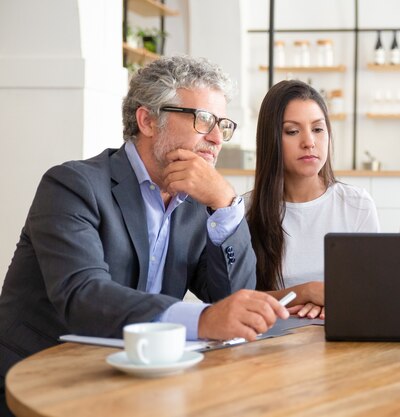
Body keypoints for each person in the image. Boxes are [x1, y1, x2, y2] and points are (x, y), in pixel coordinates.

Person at [0, 56, 288, 414]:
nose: (217, 138)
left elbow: (232, 300)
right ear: (148, 120)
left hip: (139, 381)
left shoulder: (198, 202)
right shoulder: (72, 185)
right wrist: (201, 320)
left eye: (223, 125)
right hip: (45, 379)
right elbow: (83, 295)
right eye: (203, 121)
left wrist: (225, 205)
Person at [246, 80, 380, 319]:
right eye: (292, 131)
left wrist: (329, 302)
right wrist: (307, 292)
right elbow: (240, 300)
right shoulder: (245, 210)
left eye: (318, 129)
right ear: (271, 139)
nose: (309, 142)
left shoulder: (356, 204)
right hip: (270, 345)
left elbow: (370, 293)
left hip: (339, 338)